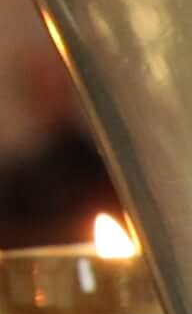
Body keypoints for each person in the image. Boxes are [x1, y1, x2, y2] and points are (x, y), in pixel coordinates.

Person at [0, 38, 111, 246]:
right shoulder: (20, 176)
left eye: (55, 83)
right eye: (41, 84)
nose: (50, 93)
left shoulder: (102, 164)